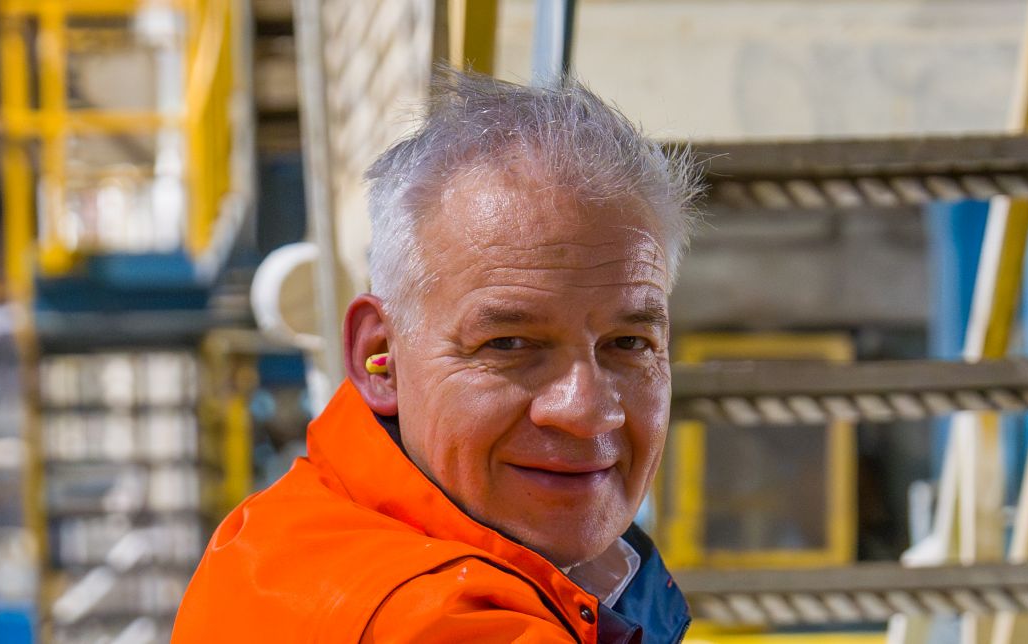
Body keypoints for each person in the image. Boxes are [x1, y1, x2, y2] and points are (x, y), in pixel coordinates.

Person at [173, 69, 698, 643]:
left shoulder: (297, 535)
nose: (587, 411)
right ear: (380, 356)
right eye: (508, 344)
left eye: (629, 343)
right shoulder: (437, 624)